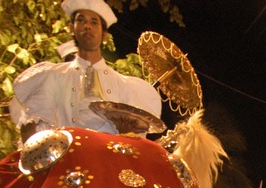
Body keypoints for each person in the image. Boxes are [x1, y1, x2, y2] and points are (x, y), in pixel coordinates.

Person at [9, 0, 162, 139]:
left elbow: (135, 143)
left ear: (105, 35)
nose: (87, 26)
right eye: (81, 20)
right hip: (66, 162)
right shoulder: (52, 77)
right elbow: (32, 135)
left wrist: (126, 132)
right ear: (71, 28)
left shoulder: (125, 86)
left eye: (94, 22)